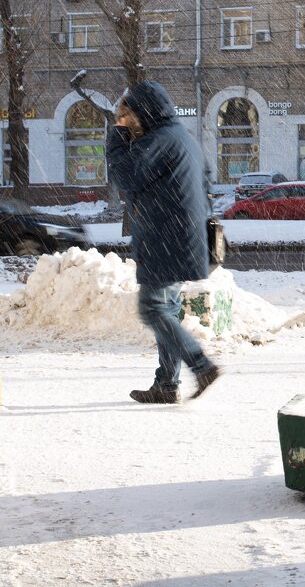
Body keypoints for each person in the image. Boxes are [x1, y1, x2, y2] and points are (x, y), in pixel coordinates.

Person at [107, 80, 222, 404]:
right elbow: (207, 179)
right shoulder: (181, 137)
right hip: (180, 236)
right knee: (167, 310)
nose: (126, 121)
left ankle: (201, 365)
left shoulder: (158, 140)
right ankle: (167, 385)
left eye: (129, 116)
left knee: (153, 309)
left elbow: (124, 175)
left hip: (164, 238)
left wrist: (116, 133)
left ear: (142, 113)